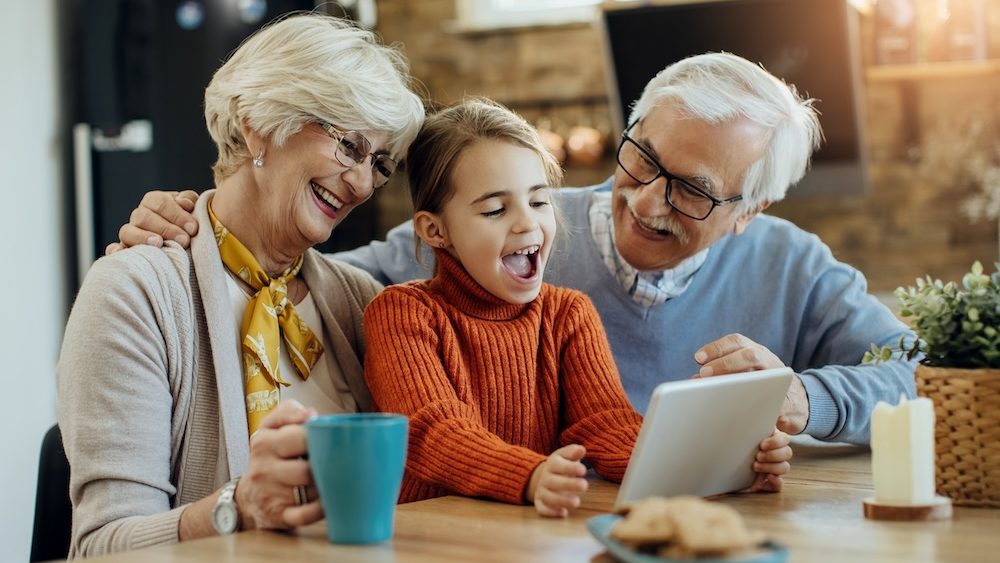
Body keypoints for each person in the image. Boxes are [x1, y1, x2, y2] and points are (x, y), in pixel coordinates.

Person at [112, 52, 917, 446]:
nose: (643, 199)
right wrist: (199, 222)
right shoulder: (508, 227)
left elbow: (923, 374)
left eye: (693, 191)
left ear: (750, 209)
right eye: (641, 159)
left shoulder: (793, 265)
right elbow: (300, 279)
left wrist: (808, 400)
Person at [57, 13, 424, 557]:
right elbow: (103, 545)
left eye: (380, 163)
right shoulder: (135, 294)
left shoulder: (360, 301)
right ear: (258, 123)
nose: (363, 184)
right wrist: (241, 506)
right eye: (349, 146)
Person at [362, 98, 792, 517]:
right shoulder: (402, 314)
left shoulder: (568, 314)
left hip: (529, 532)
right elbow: (431, 433)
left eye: (538, 201)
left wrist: (719, 470)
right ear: (435, 230)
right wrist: (529, 476)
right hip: (431, 535)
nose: (527, 223)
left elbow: (607, 425)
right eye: (495, 209)